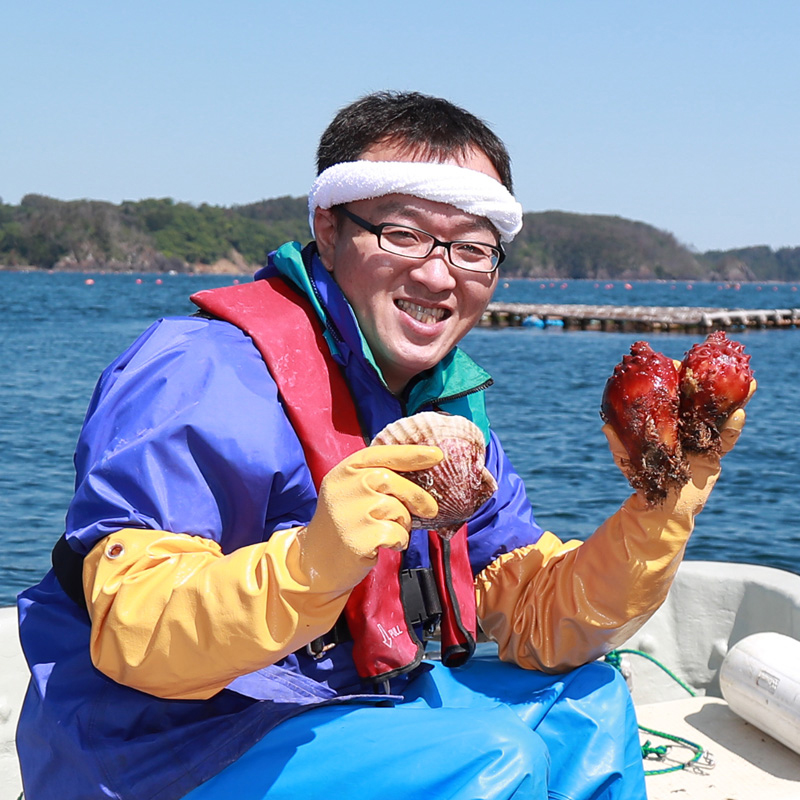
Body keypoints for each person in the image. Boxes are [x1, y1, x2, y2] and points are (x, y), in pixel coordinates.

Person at [16, 91, 751, 800]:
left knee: (590, 703)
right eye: (402, 234)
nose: (437, 273)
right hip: (156, 751)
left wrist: (664, 503)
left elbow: (539, 615)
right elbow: (136, 627)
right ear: (329, 229)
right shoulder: (198, 372)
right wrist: (311, 564)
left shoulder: (445, 416)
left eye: (472, 249)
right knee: (491, 760)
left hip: (338, 706)